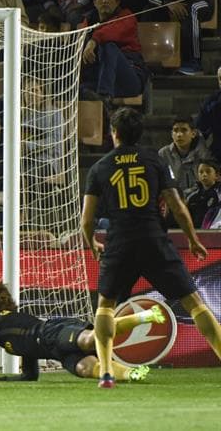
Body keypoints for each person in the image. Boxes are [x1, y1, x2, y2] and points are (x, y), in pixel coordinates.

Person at [80, 107, 221, 388]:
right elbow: (177, 205)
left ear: (114, 133)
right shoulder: (154, 161)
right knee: (193, 303)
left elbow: (86, 220)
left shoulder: (100, 167)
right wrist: (193, 239)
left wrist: (92, 243)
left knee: (105, 307)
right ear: (139, 133)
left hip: (119, 242)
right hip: (153, 239)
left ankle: (106, 371)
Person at [0, 280, 160, 383]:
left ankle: (145, 316)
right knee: (86, 369)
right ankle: (131, 374)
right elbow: (30, 376)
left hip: (53, 331)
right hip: (57, 353)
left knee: (88, 341)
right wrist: (1, 379)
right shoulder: (15, 327)